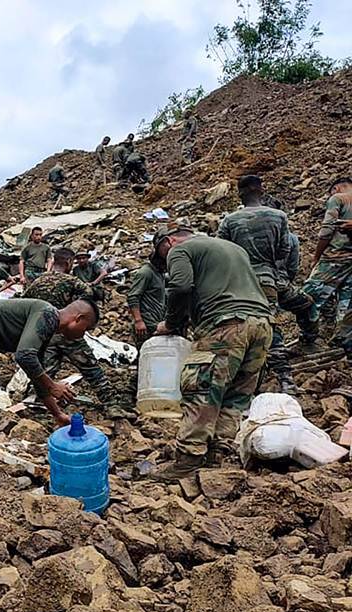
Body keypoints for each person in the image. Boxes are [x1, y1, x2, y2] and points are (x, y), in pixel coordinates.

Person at [150, 228, 273, 480]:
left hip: (225, 326)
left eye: (162, 254)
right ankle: (217, 455)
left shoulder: (180, 249)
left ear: (169, 241)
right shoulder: (234, 249)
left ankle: (188, 460)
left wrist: (171, 323)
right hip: (262, 325)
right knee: (235, 394)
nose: (165, 260)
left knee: (201, 390)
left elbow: (180, 286)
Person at [0, 298, 97, 485]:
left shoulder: (45, 326)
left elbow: (36, 375)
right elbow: (24, 356)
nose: (83, 335)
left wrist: (57, 414)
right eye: (85, 329)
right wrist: (53, 385)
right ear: (78, 319)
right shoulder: (48, 314)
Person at [217, 174, 315, 390]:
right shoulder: (279, 216)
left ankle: (277, 373)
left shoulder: (230, 220)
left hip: (242, 283)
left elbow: (222, 253)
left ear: (240, 194)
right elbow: (284, 250)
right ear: (261, 191)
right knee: (286, 315)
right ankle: (288, 372)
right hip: (270, 278)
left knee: (266, 325)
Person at [24, 254, 125, 419]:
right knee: (91, 368)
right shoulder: (71, 281)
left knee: (45, 370)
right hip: (69, 332)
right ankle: (112, 405)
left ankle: (33, 402)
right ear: (69, 262)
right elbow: (89, 296)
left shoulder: (38, 281)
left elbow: (25, 302)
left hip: (46, 334)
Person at [304, 178, 352, 353]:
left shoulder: (338, 198)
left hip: (336, 257)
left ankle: (308, 339)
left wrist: (317, 256)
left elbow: (327, 230)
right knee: (347, 302)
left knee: (307, 297)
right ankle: (342, 344)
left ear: (336, 188)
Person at [127, 250, 166, 348]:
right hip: (145, 324)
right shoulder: (145, 273)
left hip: (156, 321)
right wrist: (138, 321)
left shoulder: (160, 273)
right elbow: (133, 297)